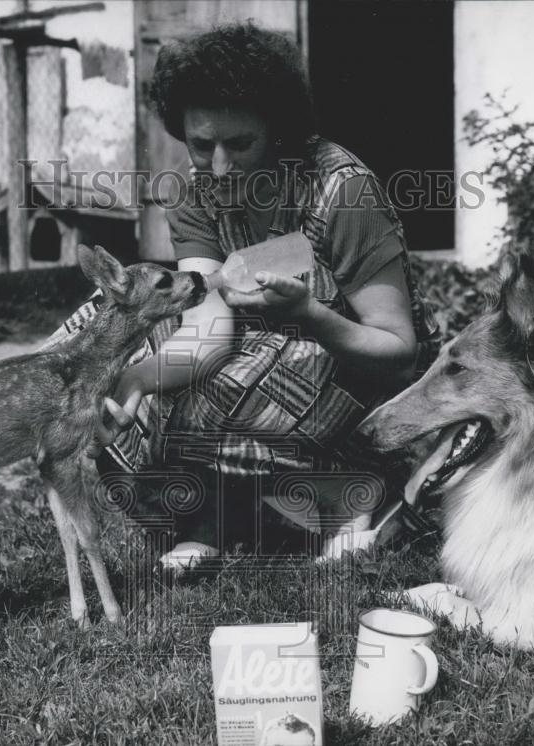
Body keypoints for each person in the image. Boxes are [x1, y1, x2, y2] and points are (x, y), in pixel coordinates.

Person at [78, 22, 441, 565]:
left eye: (240, 143)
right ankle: (229, 512)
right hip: (256, 358)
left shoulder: (341, 191)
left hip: (351, 368)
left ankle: (350, 491)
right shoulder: (198, 193)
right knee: (103, 339)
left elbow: (398, 351)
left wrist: (310, 315)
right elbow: (206, 330)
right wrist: (133, 379)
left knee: (254, 368)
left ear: (278, 129)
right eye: (202, 145)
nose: (219, 166)